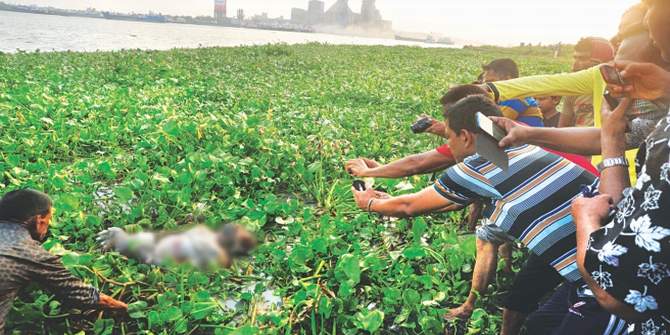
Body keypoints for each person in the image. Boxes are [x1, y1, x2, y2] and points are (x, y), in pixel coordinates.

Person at [351, 95, 627, 334]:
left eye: (448, 136)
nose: (449, 144)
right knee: (540, 325)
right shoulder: (523, 148)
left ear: (466, 136)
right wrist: (390, 199)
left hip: (614, 286)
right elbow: (449, 201)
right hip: (592, 266)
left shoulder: (477, 166)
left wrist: (370, 204)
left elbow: (409, 207)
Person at [0, 189, 127, 334]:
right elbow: (79, 294)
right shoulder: (30, 253)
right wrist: (125, 308)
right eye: (49, 219)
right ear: (39, 220)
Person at [559, 37, 614, 128]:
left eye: (583, 59)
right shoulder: (573, 90)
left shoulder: (617, 90)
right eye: (575, 58)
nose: (575, 64)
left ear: (601, 62)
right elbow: (562, 128)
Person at [482, 58, 545, 127]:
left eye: (490, 83)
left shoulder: (517, 97)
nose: (486, 87)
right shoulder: (502, 98)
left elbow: (492, 124)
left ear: (507, 79)